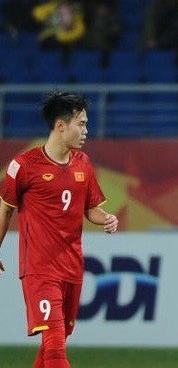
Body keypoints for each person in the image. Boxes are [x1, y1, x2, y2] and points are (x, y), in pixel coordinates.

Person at [0, 91, 119, 368]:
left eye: (86, 124)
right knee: (55, 347)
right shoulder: (24, 166)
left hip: (72, 267)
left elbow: (90, 209)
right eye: (82, 124)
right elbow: (5, 208)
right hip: (40, 269)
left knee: (55, 341)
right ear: (61, 126)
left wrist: (106, 219)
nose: (86, 131)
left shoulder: (83, 163)